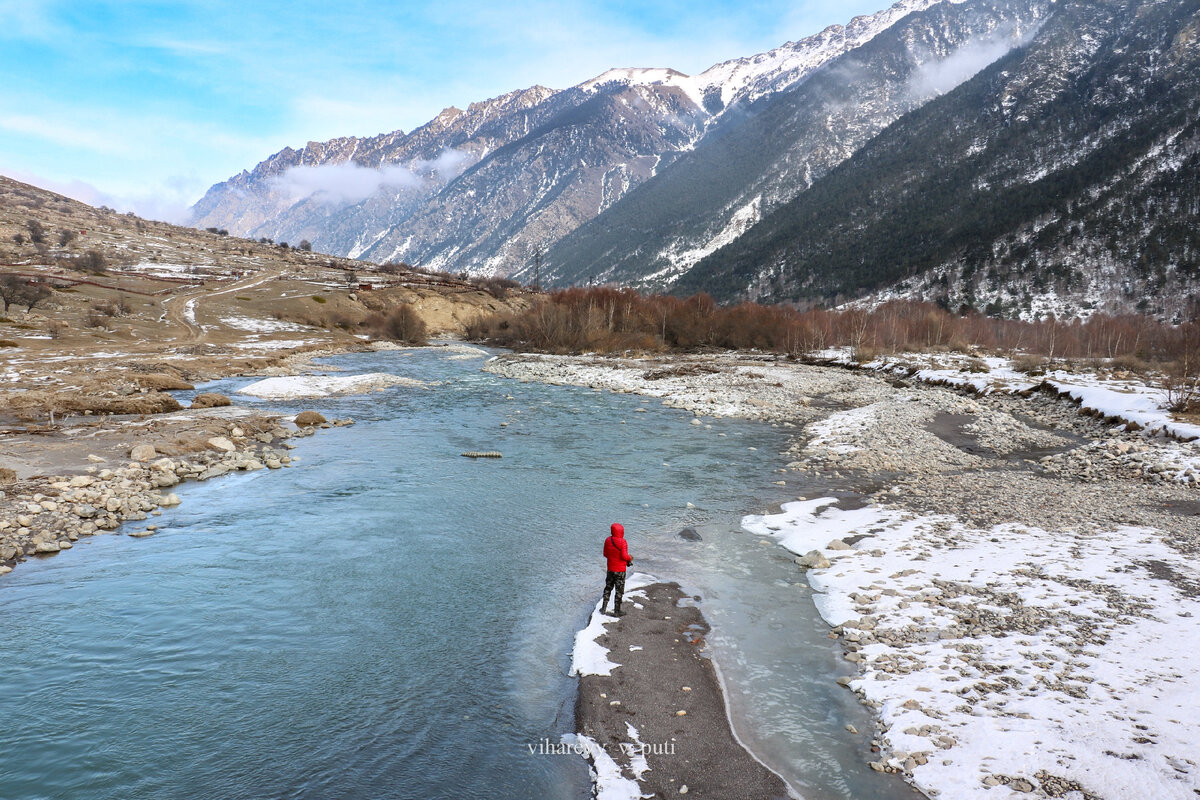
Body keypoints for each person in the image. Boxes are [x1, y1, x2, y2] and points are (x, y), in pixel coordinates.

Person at [600, 522, 633, 617]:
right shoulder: (623, 542)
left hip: (610, 569)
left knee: (608, 588)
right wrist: (630, 558)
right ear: (621, 532)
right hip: (620, 571)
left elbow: (605, 554)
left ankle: (603, 608)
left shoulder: (607, 540)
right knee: (619, 591)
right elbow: (624, 556)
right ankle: (617, 611)